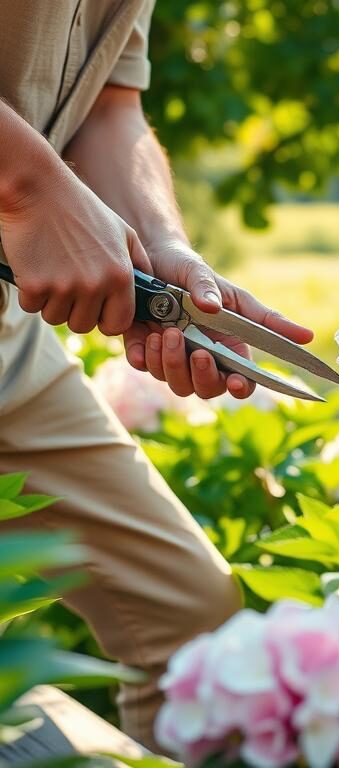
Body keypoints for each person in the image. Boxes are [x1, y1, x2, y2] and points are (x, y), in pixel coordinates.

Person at [0, 2, 314, 750]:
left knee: (194, 628)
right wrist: (30, 186)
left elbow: (110, 106)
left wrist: (163, 248)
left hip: (9, 342)